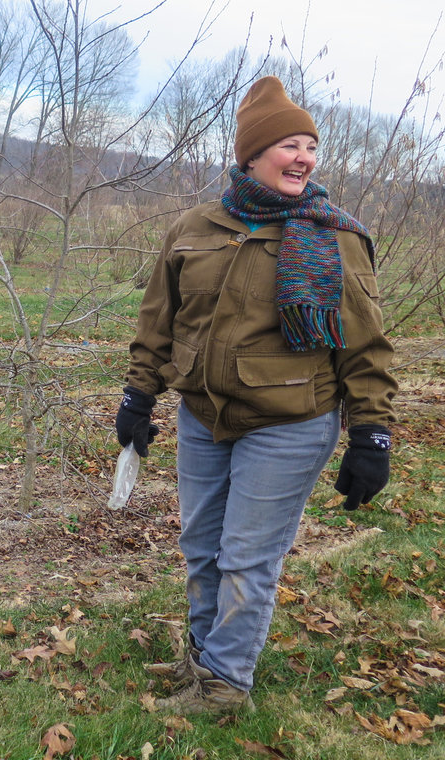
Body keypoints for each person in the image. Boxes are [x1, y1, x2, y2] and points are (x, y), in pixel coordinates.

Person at [116, 76, 396, 715]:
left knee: (246, 558)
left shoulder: (333, 236)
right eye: (290, 144)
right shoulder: (196, 225)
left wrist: (371, 434)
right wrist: (138, 398)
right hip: (203, 414)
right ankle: (204, 655)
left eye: (311, 146)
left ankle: (225, 683)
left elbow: (366, 347)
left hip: (290, 421)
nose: (305, 157)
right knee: (201, 546)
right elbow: (160, 321)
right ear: (251, 154)